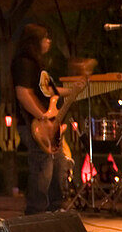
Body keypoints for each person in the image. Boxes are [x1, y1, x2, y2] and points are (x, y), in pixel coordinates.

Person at [11, 23, 79, 215]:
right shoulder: (24, 62)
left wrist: (77, 89)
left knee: (57, 164)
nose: (48, 41)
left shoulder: (38, 65)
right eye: (45, 38)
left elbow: (51, 92)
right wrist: (42, 116)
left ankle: (55, 206)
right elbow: (23, 93)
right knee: (42, 167)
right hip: (33, 125)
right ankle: (36, 210)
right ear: (35, 41)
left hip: (48, 125)